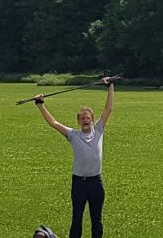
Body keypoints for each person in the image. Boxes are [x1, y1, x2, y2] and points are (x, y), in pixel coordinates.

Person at [33, 77, 116, 238]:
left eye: (88, 118)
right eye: (82, 119)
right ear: (78, 121)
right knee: (76, 219)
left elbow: (108, 109)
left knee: (96, 220)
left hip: (96, 182)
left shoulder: (98, 130)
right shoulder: (73, 135)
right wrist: (40, 104)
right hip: (79, 182)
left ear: (93, 120)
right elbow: (54, 123)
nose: (85, 121)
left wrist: (110, 86)